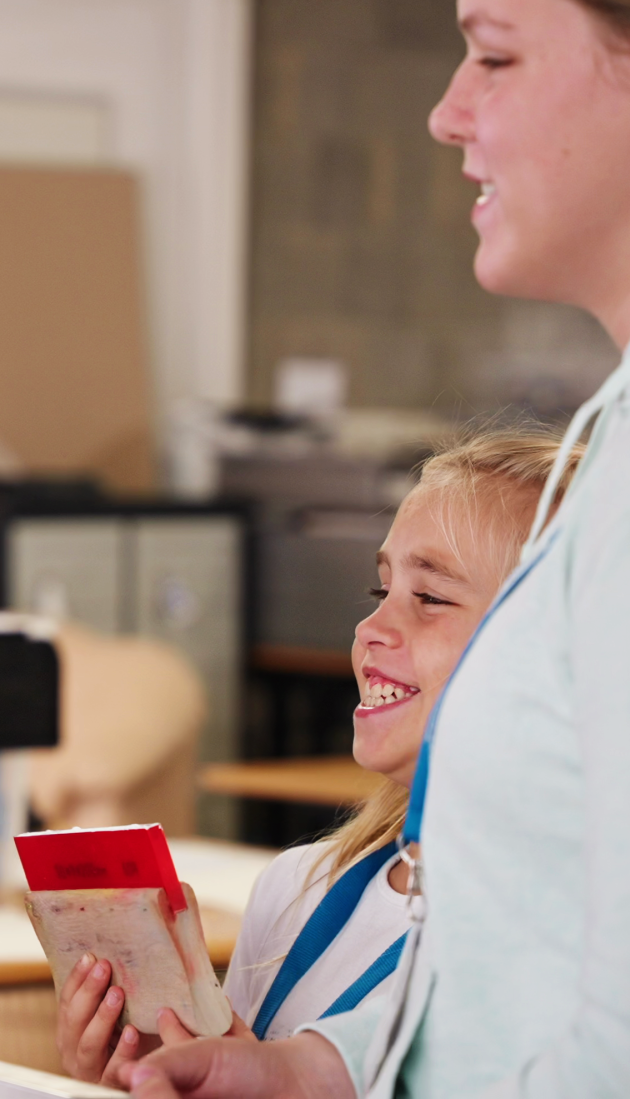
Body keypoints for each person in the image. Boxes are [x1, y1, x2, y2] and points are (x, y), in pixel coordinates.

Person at [129, 0, 630, 1095]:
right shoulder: (609, 440)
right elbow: (523, 964)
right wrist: (311, 1071)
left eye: (496, 55)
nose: (447, 111)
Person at [55, 430, 575, 1088]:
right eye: (378, 592)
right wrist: (125, 1076)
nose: (369, 630)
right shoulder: (296, 891)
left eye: (432, 598)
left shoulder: (577, 948)